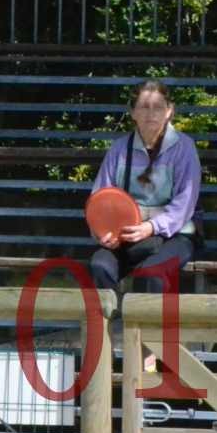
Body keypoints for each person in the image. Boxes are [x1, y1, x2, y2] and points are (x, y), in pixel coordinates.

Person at [86, 80, 203, 295]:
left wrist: (150, 227)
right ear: (133, 113)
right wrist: (104, 233)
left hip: (175, 235)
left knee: (151, 273)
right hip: (125, 236)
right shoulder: (119, 148)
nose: (151, 114)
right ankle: (111, 325)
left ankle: (146, 329)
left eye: (158, 107)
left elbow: (183, 206)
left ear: (169, 111)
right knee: (99, 266)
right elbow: (99, 199)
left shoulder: (184, 148)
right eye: (144, 107)